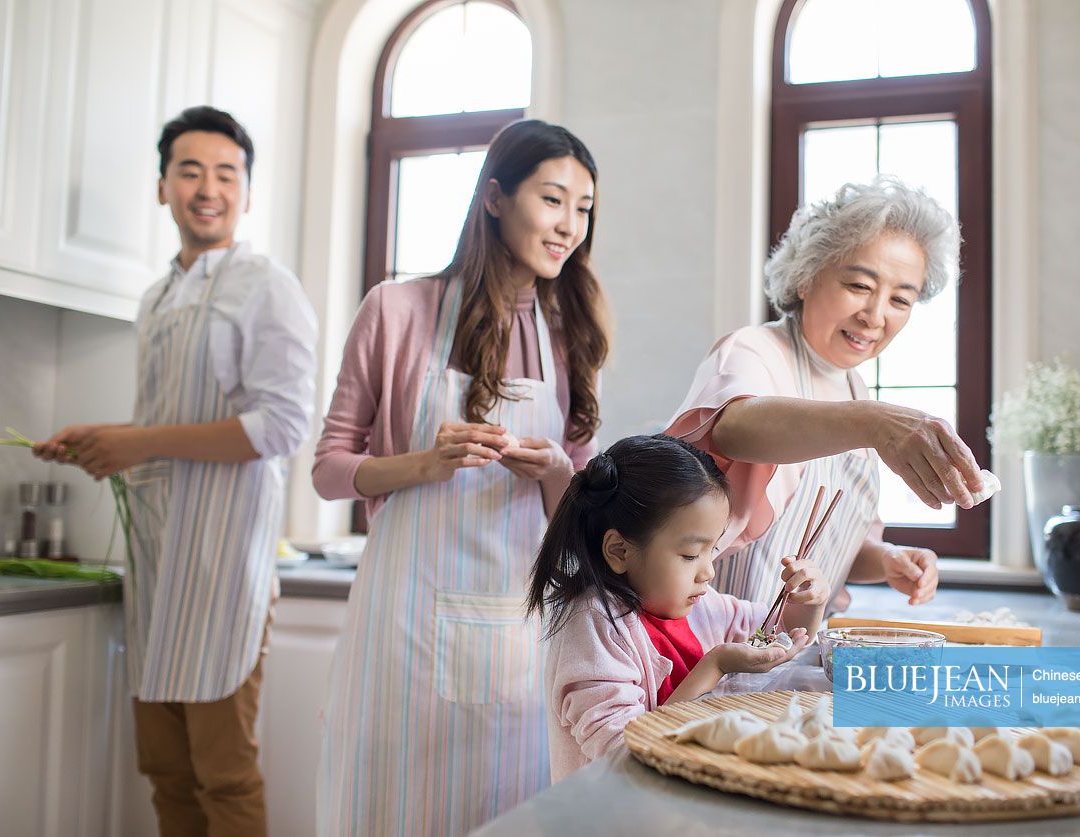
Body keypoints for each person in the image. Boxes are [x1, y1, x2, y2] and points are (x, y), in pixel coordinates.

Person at [312, 119, 609, 836]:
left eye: (584, 206)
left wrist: (557, 469)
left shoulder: (570, 328)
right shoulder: (396, 309)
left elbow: (581, 510)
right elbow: (328, 469)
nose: (569, 224)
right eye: (552, 199)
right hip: (402, 625)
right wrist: (424, 463)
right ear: (495, 198)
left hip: (517, 624)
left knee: (505, 812)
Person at [33, 105, 318, 836]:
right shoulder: (155, 299)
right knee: (165, 770)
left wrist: (140, 442)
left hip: (225, 569)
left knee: (224, 773)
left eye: (226, 173)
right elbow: (162, 427)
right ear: (163, 186)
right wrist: (102, 442)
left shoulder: (265, 286)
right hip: (157, 567)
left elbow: (281, 427)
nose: (208, 187)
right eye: (189, 170)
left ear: (246, 193)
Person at [667, 177, 986, 615]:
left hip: (789, 650)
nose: (875, 316)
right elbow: (732, 428)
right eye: (859, 286)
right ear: (806, 277)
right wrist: (873, 422)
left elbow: (830, 542)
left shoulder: (854, 387)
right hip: (706, 637)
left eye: (900, 299)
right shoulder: (753, 349)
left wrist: (888, 559)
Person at [528, 434, 828, 779]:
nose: (708, 571)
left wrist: (809, 597)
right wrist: (714, 666)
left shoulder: (701, 606)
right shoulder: (593, 626)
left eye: (712, 550)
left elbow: (781, 630)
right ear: (620, 551)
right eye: (689, 555)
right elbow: (627, 754)